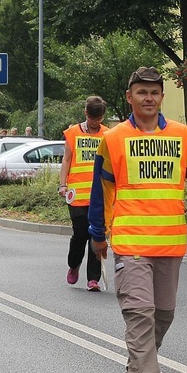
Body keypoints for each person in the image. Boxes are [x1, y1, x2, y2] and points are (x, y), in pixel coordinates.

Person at [88, 67, 187, 373]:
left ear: (162, 97)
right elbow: (100, 192)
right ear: (129, 97)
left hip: (169, 243)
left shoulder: (182, 136)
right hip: (131, 243)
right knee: (139, 311)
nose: (149, 98)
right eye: (142, 92)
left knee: (163, 313)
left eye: (154, 92)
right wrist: (98, 235)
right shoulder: (114, 138)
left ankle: (139, 362)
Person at [58, 96, 109, 292]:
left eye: (99, 118)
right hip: (77, 193)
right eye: (93, 118)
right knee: (80, 233)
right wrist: (63, 185)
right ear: (86, 113)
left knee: (96, 235)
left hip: (100, 195)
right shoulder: (73, 133)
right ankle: (74, 264)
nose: (96, 122)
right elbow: (67, 160)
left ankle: (93, 279)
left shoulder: (107, 134)